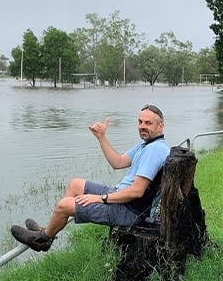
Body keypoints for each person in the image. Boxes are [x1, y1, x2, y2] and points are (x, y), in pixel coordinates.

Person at [12, 104, 170, 252]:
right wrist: (101, 137)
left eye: (148, 123)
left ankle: (43, 241)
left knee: (64, 205)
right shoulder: (147, 145)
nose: (142, 126)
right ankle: (50, 229)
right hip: (122, 197)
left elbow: (137, 191)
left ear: (160, 126)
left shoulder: (154, 150)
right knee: (75, 184)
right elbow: (118, 162)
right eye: (140, 122)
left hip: (130, 211)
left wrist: (101, 198)